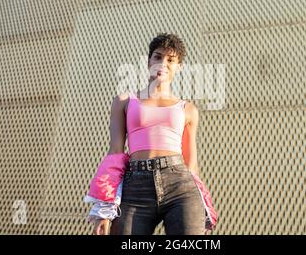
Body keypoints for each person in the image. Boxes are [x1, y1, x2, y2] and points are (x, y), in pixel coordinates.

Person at [87, 33, 216, 235]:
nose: (163, 63)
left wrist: (204, 206)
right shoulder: (124, 101)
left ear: (179, 67)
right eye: (157, 57)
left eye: (171, 60)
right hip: (136, 185)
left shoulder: (188, 109)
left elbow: (191, 164)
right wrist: (104, 209)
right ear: (148, 60)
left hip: (180, 185)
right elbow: (115, 153)